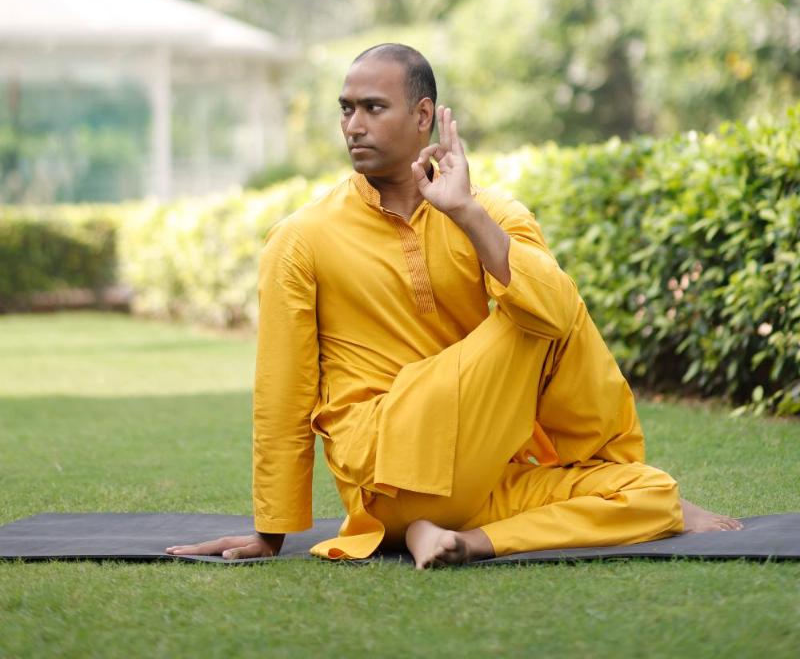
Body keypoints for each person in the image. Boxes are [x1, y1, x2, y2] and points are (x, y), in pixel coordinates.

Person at [167, 44, 741, 568]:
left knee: (653, 494)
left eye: (372, 107)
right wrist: (271, 531)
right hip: (387, 476)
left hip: (482, 477)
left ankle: (458, 540)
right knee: (539, 310)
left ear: (423, 117)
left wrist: (466, 213)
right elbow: (282, 392)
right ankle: (458, 512)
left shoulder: (490, 213)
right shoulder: (301, 237)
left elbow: (556, 310)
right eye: (346, 109)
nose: (354, 126)